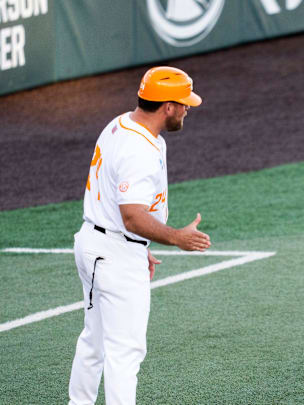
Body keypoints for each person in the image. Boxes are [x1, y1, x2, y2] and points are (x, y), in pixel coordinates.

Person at [68, 66, 212, 405]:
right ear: (167, 106)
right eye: (183, 103)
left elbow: (120, 207)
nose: (187, 108)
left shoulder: (121, 124)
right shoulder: (140, 150)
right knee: (125, 352)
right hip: (115, 254)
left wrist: (139, 245)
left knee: (94, 341)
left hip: (95, 242)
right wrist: (175, 237)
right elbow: (132, 217)